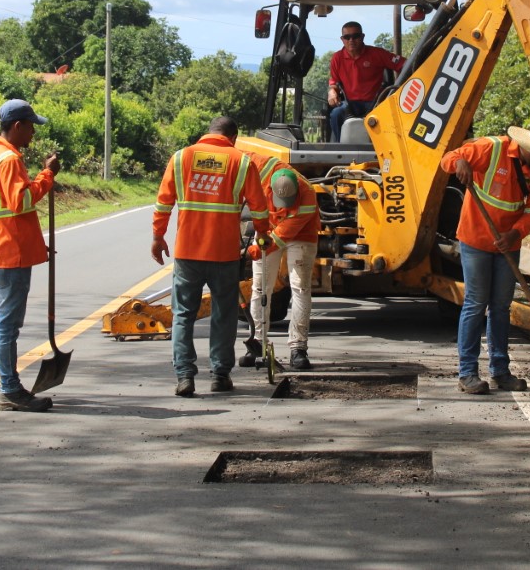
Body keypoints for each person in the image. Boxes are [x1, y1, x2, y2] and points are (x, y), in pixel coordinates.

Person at [440, 122, 530, 395]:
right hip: (475, 240)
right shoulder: (492, 148)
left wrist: (515, 234)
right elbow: (448, 158)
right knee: (476, 304)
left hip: (507, 245)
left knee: (501, 306)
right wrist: (460, 164)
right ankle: (467, 374)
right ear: (528, 148)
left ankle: (500, 371)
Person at [152, 116, 271, 397]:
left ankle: (184, 377)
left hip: (187, 253)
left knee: (183, 315)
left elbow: (163, 202)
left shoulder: (181, 158)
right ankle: (220, 374)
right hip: (224, 254)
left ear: (209, 132)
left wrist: (158, 237)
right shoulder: (241, 161)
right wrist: (263, 236)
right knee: (224, 314)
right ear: (232, 137)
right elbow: (260, 207)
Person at [0, 98, 61, 413]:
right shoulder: (9, 159)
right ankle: (9, 389)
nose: (33, 135)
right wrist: (47, 176)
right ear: (17, 126)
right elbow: (21, 202)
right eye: (31, 128)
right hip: (9, 255)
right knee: (7, 325)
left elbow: (9, 212)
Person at [243, 159, 321, 371]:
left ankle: (298, 348)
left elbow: (282, 236)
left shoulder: (308, 196)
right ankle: (257, 342)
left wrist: (255, 251)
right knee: (260, 287)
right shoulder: (258, 173)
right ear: (270, 189)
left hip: (301, 234)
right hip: (267, 230)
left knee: (300, 287)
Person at [326, 21, 405, 142]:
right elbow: (334, 82)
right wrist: (332, 91)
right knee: (336, 114)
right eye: (347, 37)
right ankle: (339, 150)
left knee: (393, 115)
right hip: (350, 104)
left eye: (355, 36)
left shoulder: (377, 54)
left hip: (375, 103)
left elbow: (404, 65)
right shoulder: (337, 58)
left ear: (362, 37)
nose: (351, 40)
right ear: (342, 39)